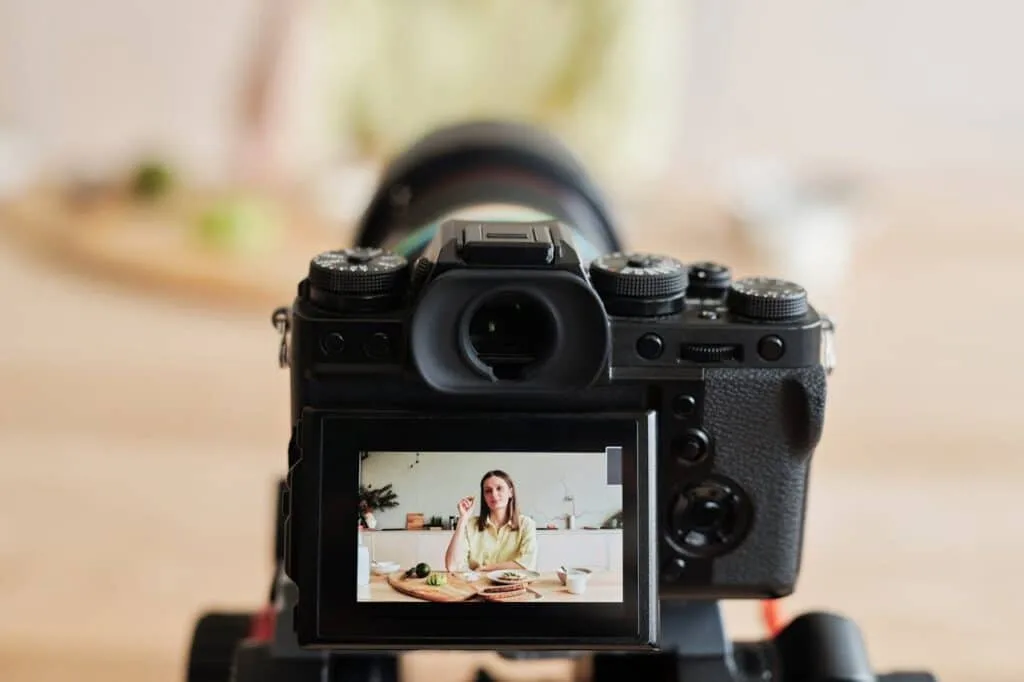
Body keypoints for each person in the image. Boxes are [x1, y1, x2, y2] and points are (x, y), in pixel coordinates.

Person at [444, 470, 538, 573]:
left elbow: (527, 565)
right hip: (477, 586)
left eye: (499, 488)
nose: (494, 494)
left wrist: (485, 568)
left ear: (510, 492)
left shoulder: (526, 524)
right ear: (484, 497)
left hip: (515, 587)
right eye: (488, 491)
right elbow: (452, 566)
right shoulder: (470, 525)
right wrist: (463, 519)